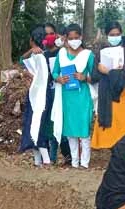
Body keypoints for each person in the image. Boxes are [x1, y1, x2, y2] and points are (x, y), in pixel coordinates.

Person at [51, 23, 95, 169]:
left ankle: (85, 162)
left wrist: (84, 77)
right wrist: (59, 79)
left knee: (84, 130)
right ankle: (75, 162)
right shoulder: (62, 54)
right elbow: (55, 72)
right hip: (67, 96)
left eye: (77, 37)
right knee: (70, 131)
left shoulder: (88, 55)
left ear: (81, 37)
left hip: (82, 96)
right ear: (66, 39)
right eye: (71, 38)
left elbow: (95, 76)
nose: (74, 40)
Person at [91, 21, 125, 149]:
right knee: (111, 127)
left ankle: (123, 153)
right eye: (112, 34)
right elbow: (95, 75)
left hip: (123, 94)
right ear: (107, 35)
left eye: (117, 34)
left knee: (122, 125)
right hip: (107, 95)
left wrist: (109, 72)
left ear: (121, 34)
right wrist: (100, 69)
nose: (114, 37)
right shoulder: (101, 52)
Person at [20, 26, 52, 166]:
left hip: (40, 96)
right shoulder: (39, 55)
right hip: (36, 95)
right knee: (32, 125)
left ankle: (45, 160)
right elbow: (22, 60)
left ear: (32, 40)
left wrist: (28, 75)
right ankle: (37, 161)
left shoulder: (40, 56)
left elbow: (40, 78)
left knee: (36, 126)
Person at [41, 30, 70, 164]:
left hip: (60, 91)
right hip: (49, 92)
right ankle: (52, 157)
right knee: (51, 125)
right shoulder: (44, 55)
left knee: (60, 124)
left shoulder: (62, 53)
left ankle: (66, 154)